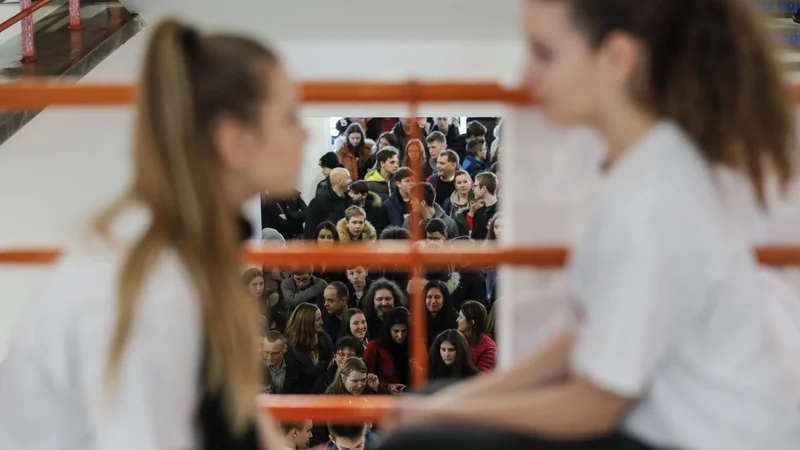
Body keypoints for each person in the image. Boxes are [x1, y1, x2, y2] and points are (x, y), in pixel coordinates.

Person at [381, 1, 800, 449]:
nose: (526, 76)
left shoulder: (653, 194)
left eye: (544, 54)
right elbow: (583, 341)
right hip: (673, 418)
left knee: (419, 438)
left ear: (617, 57)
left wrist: (449, 411)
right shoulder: (643, 166)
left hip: (701, 436)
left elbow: (595, 403)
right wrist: (451, 403)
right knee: (431, 409)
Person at [0, 20, 300, 450]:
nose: (304, 132)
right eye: (289, 117)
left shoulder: (186, 252)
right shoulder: (156, 286)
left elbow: (238, 416)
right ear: (236, 141)